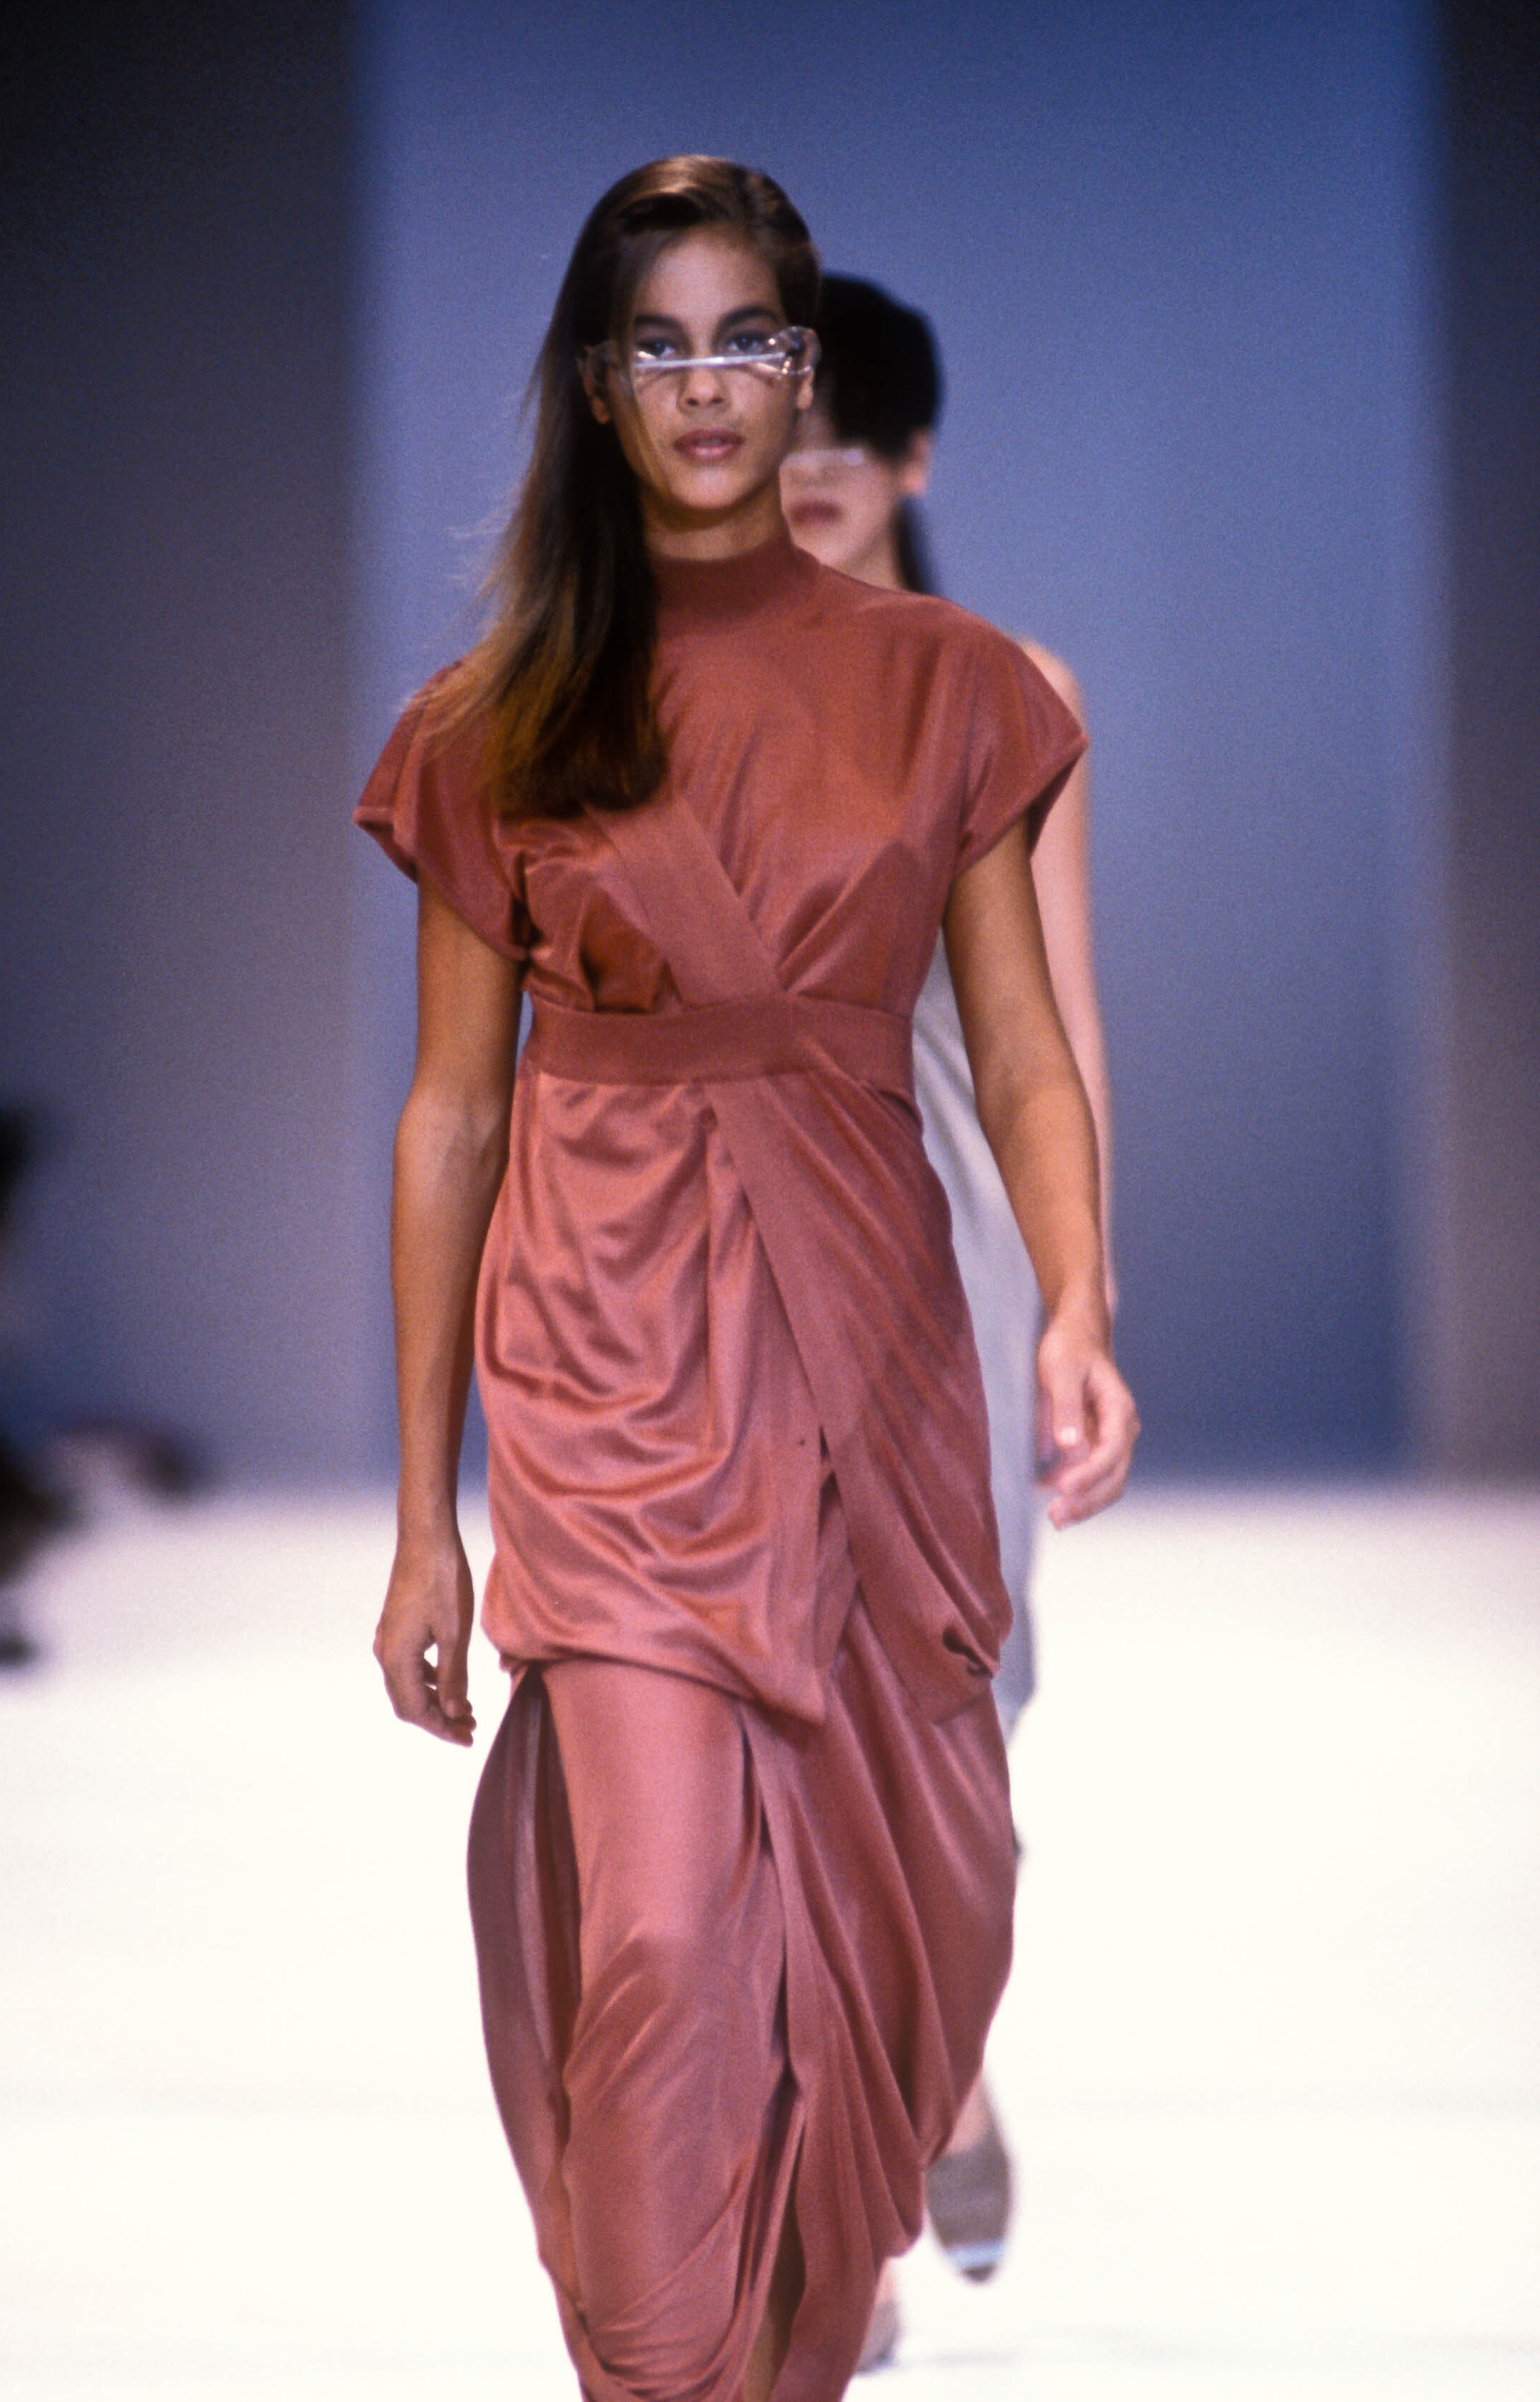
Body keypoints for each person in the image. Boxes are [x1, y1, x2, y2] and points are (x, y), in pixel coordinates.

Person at [356, 158, 1137, 2402]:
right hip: (607, 1348)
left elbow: (1023, 1051)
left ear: (805, 377)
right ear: (597, 387)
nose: (709, 389)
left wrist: (1075, 1306)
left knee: (915, 1913)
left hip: (873, 1340)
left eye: (748, 343)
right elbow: (452, 1118)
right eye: (660, 346)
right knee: (661, 1931)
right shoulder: (496, 716)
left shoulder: (952, 690)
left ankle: (787, 2322)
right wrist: (423, 1515)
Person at [783, 276, 1114, 2346]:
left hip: (954, 1243)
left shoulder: (1007, 690)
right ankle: (846, 2209)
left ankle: (944, 2071)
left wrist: (1083, 1300)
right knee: (769, 1711)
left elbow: (1054, 1027)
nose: (809, 467)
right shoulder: (662, 682)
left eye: (850, 433)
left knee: (944, 1710)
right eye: (783, 424)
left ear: (914, 459)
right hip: (738, 1237)